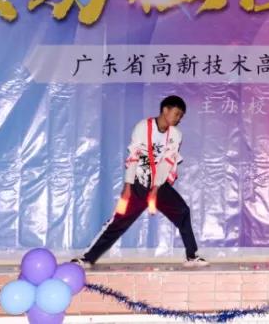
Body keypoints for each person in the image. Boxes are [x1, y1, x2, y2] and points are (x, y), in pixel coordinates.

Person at [75, 96, 208, 268]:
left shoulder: (176, 135)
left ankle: (191, 256)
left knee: (182, 212)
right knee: (118, 222)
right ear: (165, 110)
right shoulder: (143, 127)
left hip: (159, 184)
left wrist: (156, 188)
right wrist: (128, 185)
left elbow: (167, 162)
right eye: (176, 114)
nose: (178, 118)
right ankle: (87, 258)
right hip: (138, 184)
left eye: (181, 116)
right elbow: (133, 157)